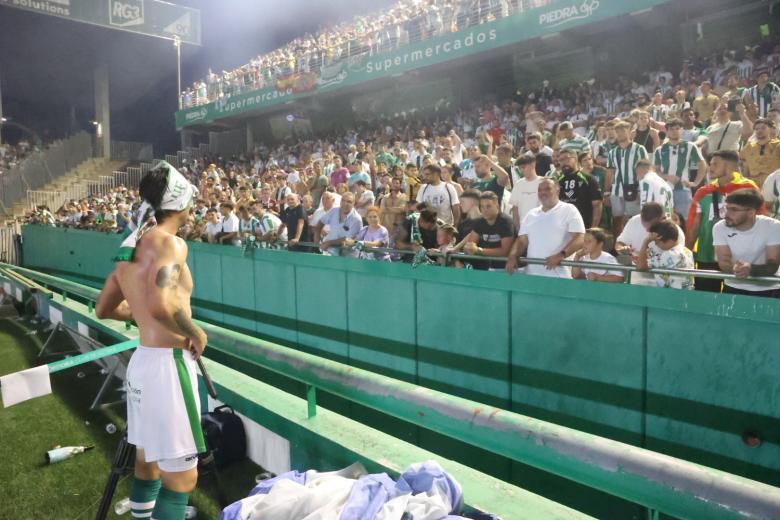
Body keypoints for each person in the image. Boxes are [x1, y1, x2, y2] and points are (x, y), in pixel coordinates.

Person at [95, 163, 207, 520]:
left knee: (147, 459)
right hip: (168, 367)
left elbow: (104, 308)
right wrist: (196, 332)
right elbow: (164, 303)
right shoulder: (171, 244)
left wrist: (143, 316)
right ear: (182, 201)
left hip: (142, 361)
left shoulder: (131, 247)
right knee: (182, 478)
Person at [687, 150, 759, 292]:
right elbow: (693, 224)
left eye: (715, 164)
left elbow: (759, 222)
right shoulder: (703, 191)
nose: (710, 168)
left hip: (739, 258)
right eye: (710, 164)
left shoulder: (749, 189)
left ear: (731, 166)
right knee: (705, 298)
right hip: (706, 255)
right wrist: (687, 250)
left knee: (734, 298)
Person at [505, 178, 585, 278]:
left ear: (557, 190)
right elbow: (521, 241)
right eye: (540, 190)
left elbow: (580, 238)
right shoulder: (531, 214)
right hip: (533, 275)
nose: (543, 192)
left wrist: (561, 255)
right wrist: (513, 256)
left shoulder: (569, 210)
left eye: (547, 189)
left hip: (560, 276)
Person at [713, 189, 780, 298]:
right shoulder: (720, 227)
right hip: (733, 287)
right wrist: (735, 269)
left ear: (751, 212)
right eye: (727, 208)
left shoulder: (774, 227)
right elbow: (724, 262)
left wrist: (750, 269)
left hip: (769, 288)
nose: (727, 214)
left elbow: (772, 266)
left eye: (734, 209)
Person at [652, 118, 705, 227]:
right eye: (671, 129)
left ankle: (683, 243)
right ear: (666, 131)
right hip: (664, 190)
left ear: (682, 130)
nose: (675, 131)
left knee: (685, 221)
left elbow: (702, 164)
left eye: (677, 128)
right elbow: (655, 170)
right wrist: (666, 176)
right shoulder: (660, 150)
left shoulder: (690, 146)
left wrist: (695, 183)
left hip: (683, 190)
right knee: (665, 220)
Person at [606, 121, 648, 238]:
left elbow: (645, 171)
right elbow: (610, 173)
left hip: (634, 189)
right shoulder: (612, 152)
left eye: (623, 131)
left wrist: (641, 190)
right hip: (616, 190)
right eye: (617, 131)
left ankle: (634, 243)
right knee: (617, 219)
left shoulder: (639, 149)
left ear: (630, 132)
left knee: (634, 218)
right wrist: (606, 192)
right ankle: (617, 245)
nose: (619, 134)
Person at [459, 191, 514, 270]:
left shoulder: (505, 222)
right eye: (482, 207)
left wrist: (479, 250)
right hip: (491, 266)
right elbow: (470, 244)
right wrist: (467, 248)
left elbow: (504, 251)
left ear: (497, 206)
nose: (484, 210)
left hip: (509, 267)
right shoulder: (480, 221)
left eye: (488, 206)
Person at [637, 220, 695, 290]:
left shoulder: (668, 255)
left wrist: (645, 242)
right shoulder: (687, 251)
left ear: (669, 241)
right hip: (687, 295)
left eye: (657, 242)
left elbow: (641, 267)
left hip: (672, 297)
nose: (656, 245)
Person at [552, 149, 602, 228]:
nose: (564, 162)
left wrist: (593, 229)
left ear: (575, 159)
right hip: (563, 226)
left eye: (566, 158)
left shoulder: (589, 179)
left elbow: (597, 205)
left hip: (584, 225)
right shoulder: (558, 181)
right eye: (561, 160)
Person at [316, 192, 363, 256]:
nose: (345, 204)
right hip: (330, 252)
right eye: (343, 200)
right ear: (340, 201)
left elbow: (347, 240)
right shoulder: (334, 210)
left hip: (348, 256)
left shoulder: (356, 219)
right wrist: (317, 239)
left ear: (353, 203)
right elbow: (320, 222)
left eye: (349, 202)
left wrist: (329, 243)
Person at [740, 118, 780, 189]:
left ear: (770, 129)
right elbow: (745, 167)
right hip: (754, 186)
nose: (759, 131)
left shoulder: (777, 145)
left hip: (774, 185)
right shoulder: (748, 148)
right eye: (757, 129)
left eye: (763, 128)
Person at [509, 154, 542, 230]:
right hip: (523, 228)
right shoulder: (518, 184)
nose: (521, 170)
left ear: (533, 165)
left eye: (523, 167)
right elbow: (515, 208)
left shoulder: (543, 182)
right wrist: (517, 227)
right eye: (520, 168)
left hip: (540, 226)